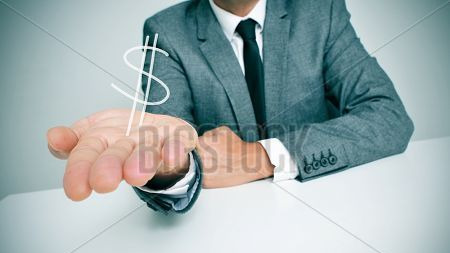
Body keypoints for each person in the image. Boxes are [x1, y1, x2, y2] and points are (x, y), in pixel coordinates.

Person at [46, 0, 414, 213]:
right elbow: (168, 135)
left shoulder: (320, 10)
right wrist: (169, 168)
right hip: (226, 233)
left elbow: (389, 115)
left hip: (330, 210)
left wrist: (261, 157)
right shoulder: (165, 30)